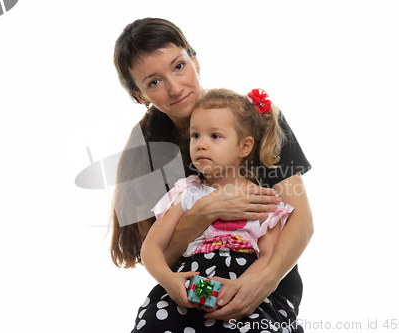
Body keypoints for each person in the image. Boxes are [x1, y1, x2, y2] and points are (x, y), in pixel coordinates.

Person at [110, 17, 313, 328]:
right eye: (154, 82)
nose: (175, 87)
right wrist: (204, 211)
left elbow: (301, 219)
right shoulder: (148, 155)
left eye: (179, 66)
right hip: (195, 292)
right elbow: (158, 253)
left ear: (195, 60)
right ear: (140, 95)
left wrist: (265, 281)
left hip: (266, 285)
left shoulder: (252, 120)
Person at [134, 88, 297, 332]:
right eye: (196, 135)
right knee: (159, 322)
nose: (201, 145)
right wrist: (169, 281)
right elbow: (151, 247)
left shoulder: (264, 200)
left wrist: (241, 288)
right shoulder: (187, 193)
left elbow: (268, 256)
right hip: (192, 287)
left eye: (215, 136)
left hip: (242, 289)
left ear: (244, 146)